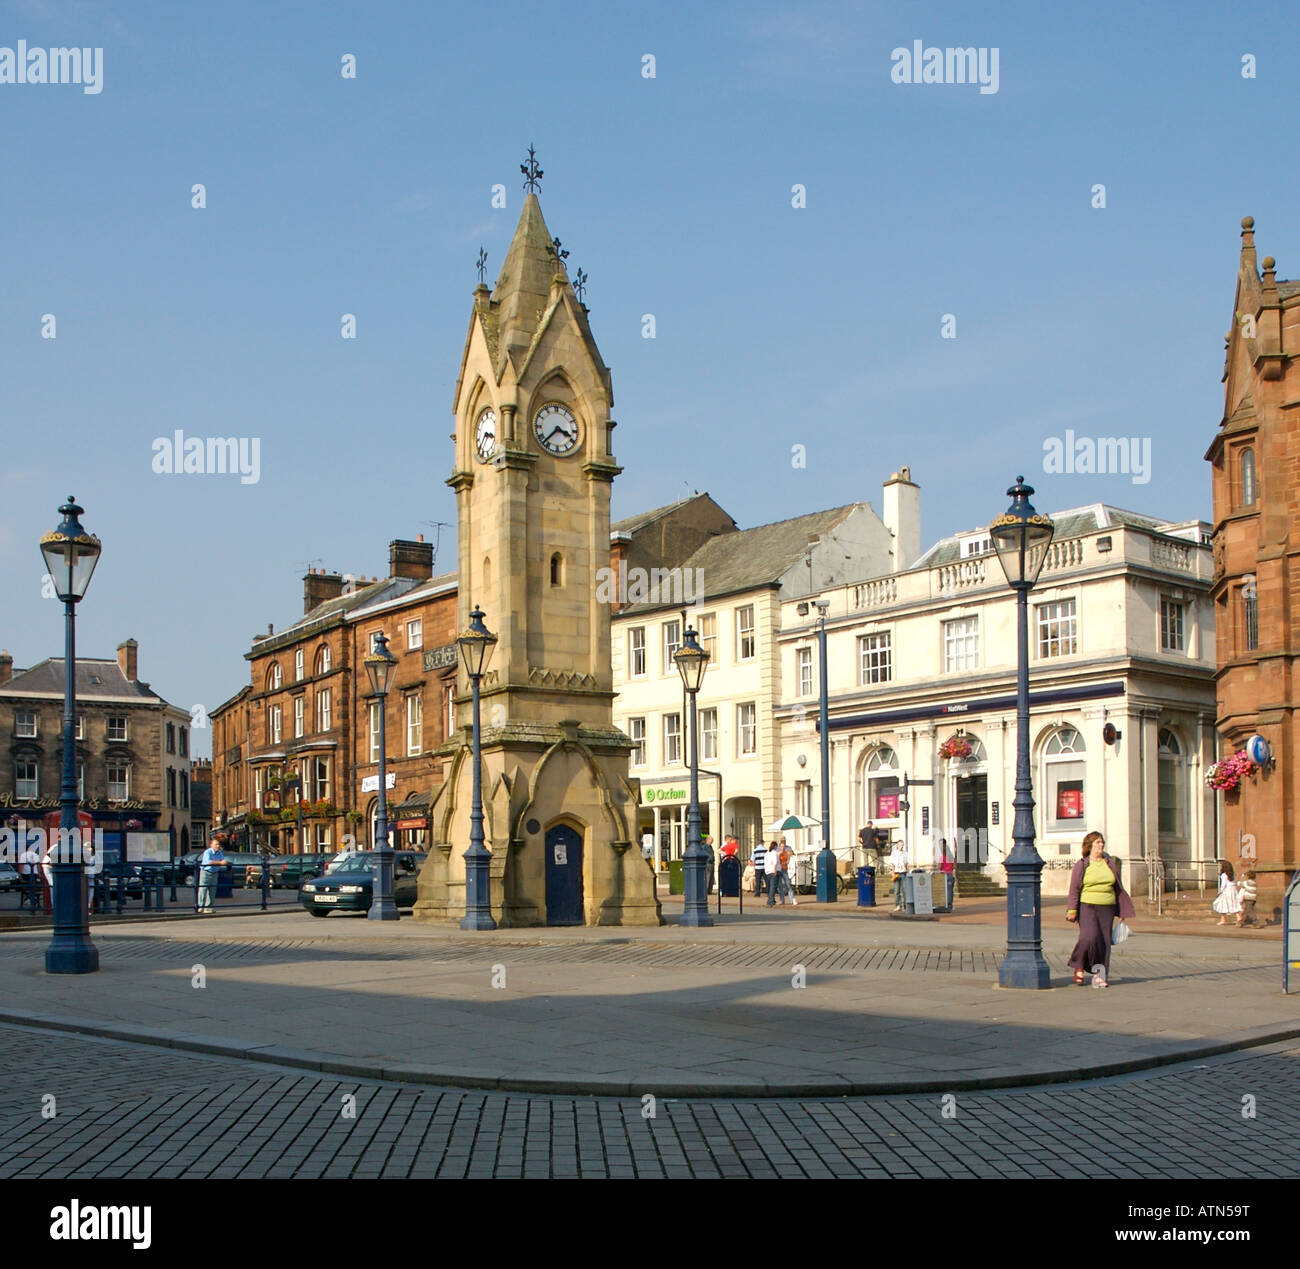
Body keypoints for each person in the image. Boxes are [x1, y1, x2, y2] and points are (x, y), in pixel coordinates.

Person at [1066, 830, 1136, 987]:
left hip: (1107, 906)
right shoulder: (1082, 864)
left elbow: (1118, 887)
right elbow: (1074, 888)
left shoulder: (1109, 863)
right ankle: (1078, 964)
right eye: (1097, 842)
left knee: (1103, 941)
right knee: (1088, 937)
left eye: (1102, 842)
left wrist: (1121, 910)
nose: (1101, 845)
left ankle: (1099, 975)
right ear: (1090, 845)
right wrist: (1072, 909)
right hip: (1087, 905)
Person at [197, 835, 229, 914]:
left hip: (214, 872)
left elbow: (223, 860)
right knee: (203, 889)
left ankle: (209, 907)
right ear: (211, 845)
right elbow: (208, 862)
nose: (218, 846)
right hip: (206, 872)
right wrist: (220, 863)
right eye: (216, 844)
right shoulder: (208, 852)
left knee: (212, 890)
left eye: (218, 844)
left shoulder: (219, 852)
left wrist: (224, 862)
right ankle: (200, 906)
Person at [1212, 859, 1241, 926]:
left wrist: (1220, 892)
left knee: (1222, 904)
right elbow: (1235, 882)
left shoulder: (1224, 875)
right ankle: (1239, 917)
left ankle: (1223, 919)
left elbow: (1223, 885)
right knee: (1234, 903)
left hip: (1227, 890)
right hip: (1233, 889)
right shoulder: (1233, 874)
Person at [888, 839, 908, 911]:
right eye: (899, 845)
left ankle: (906, 906)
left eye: (902, 845)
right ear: (897, 845)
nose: (901, 846)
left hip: (903, 873)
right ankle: (898, 905)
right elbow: (892, 863)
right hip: (896, 873)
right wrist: (892, 872)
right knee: (896, 890)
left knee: (905, 890)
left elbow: (906, 864)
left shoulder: (905, 853)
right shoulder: (894, 853)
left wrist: (907, 871)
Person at [778, 838, 797, 906]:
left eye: (783, 846)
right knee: (780, 885)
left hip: (784, 869)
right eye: (781, 846)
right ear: (779, 847)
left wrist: (783, 862)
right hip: (779, 870)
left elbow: (788, 860)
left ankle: (792, 899)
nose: (782, 848)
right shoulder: (778, 853)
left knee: (788, 884)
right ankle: (782, 900)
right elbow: (776, 861)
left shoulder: (786, 853)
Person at [764, 839, 781, 906]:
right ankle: (770, 901)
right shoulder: (774, 853)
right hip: (773, 870)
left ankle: (771, 899)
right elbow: (775, 862)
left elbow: (765, 862)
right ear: (775, 846)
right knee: (773, 887)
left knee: (769, 886)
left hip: (767, 871)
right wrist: (775, 870)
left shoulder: (767, 853)